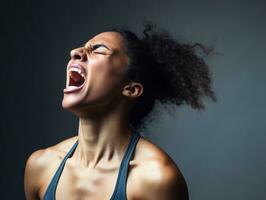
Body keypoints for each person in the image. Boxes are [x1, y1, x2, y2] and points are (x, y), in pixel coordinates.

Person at [24, 23, 216, 200]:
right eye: (82, 48)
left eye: (98, 49)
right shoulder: (42, 166)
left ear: (131, 89)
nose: (75, 52)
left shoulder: (156, 178)